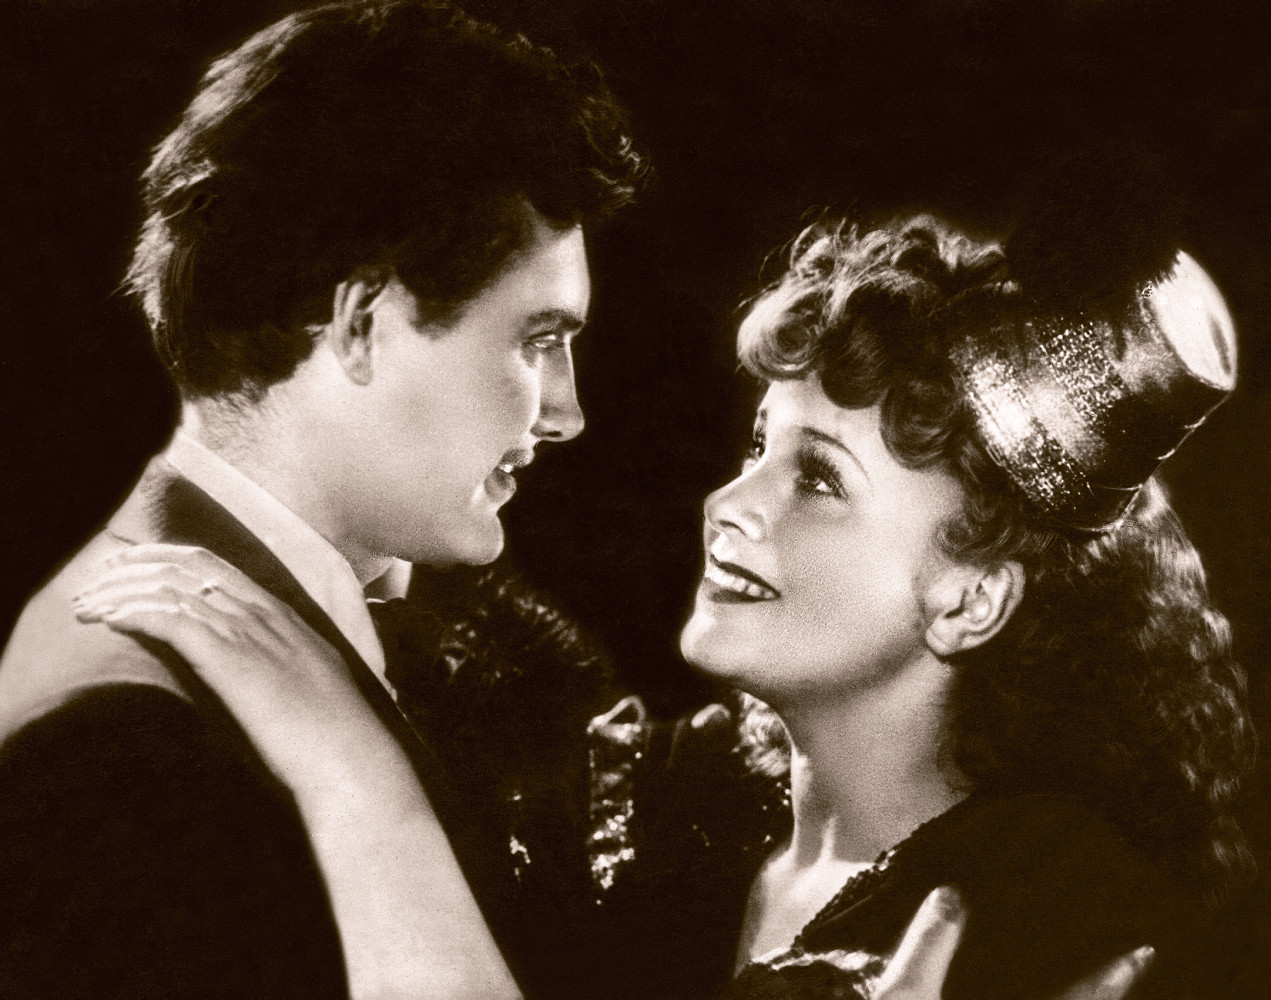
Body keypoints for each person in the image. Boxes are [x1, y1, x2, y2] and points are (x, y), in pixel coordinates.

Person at [70, 209, 1253, 1000]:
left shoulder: (1061, 914)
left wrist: (356, 781)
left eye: (818, 479)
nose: (729, 505)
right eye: (756, 445)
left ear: (969, 598)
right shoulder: (680, 807)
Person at [0, 2, 642, 998]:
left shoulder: (389, 629)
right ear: (360, 323)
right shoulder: (119, 742)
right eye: (536, 340)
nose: (566, 413)